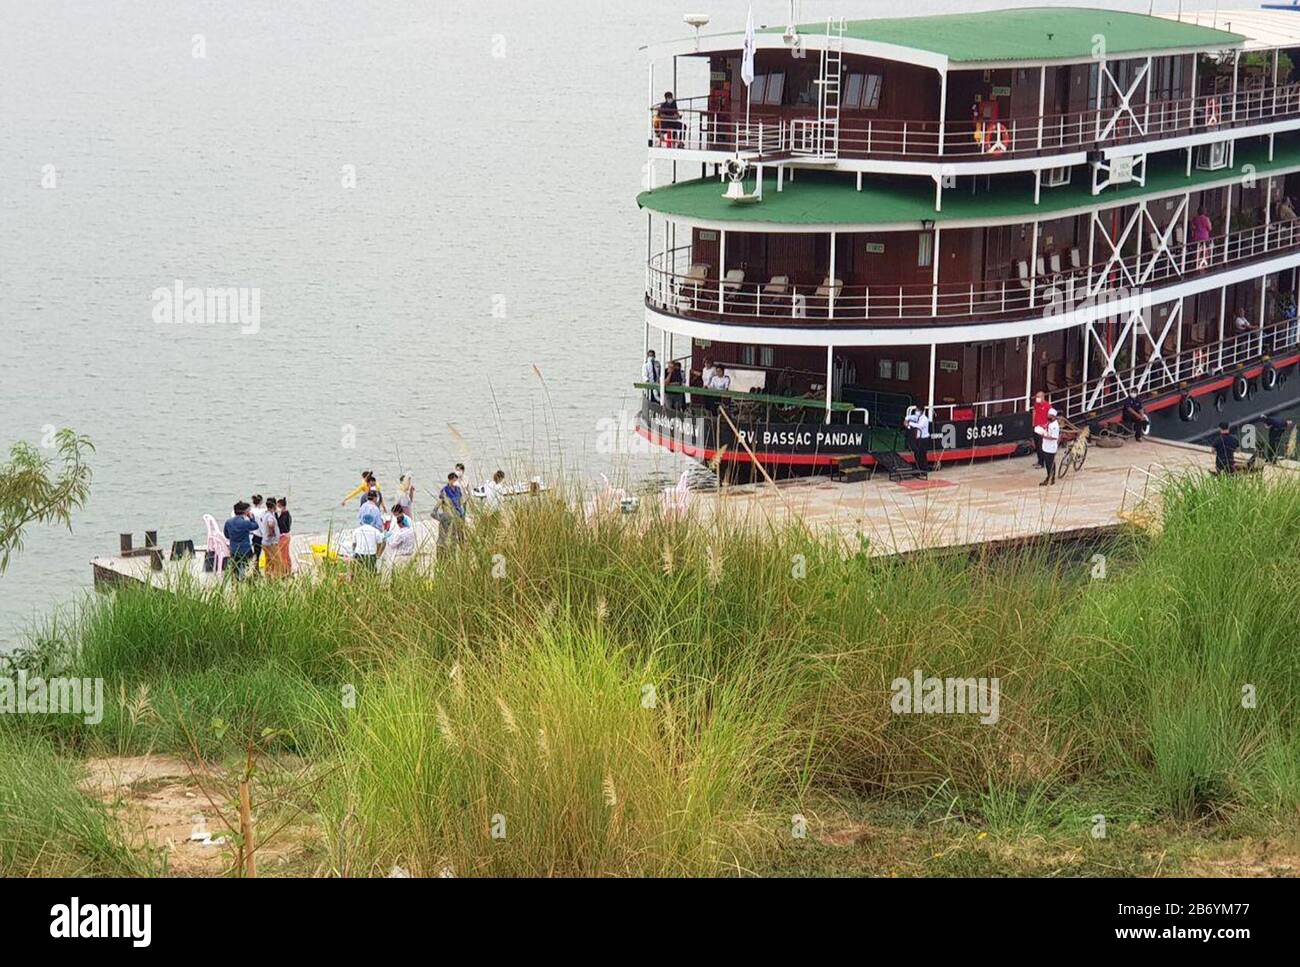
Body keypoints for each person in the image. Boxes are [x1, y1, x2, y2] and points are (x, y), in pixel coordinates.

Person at [222, 501, 259, 580]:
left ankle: (235, 585)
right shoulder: (245, 523)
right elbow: (255, 526)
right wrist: (252, 518)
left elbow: (226, 535)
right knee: (248, 568)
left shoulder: (228, 522)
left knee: (235, 570)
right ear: (245, 512)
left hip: (234, 549)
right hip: (245, 549)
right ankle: (247, 583)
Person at [436, 471, 467, 547]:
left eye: (455, 480)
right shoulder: (444, 490)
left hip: (459, 513)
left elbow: (461, 500)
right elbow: (442, 503)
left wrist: (463, 511)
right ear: (449, 480)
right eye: (453, 480)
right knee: (451, 532)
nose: (454, 482)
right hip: (451, 514)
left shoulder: (458, 489)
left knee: (460, 531)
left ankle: (462, 546)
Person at [1036, 408, 1062, 486]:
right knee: (1049, 463)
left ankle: (1050, 478)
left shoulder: (1055, 426)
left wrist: (1043, 435)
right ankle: (1050, 477)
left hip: (1051, 447)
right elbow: (1046, 426)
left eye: (1049, 415)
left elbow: (1054, 437)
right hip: (1046, 446)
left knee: (1049, 463)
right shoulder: (1050, 423)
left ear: (1053, 416)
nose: (1048, 416)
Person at [904, 406, 933, 472]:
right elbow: (911, 417)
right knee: (917, 453)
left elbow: (920, 426)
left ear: (921, 411)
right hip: (919, 438)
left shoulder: (924, 419)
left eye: (917, 410)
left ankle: (924, 468)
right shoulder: (917, 417)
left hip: (924, 439)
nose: (916, 412)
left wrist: (909, 423)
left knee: (922, 454)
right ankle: (919, 466)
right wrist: (906, 419)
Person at [258, 496, 282, 576]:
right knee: (277, 561)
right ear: (274, 506)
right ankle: (276, 578)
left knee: (268, 561)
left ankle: (268, 576)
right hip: (271, 542)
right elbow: (270, 523)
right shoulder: (270, 516)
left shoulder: (264, 514)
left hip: (264, 541)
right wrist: (272, 533)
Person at [1031, 391, 1051, 468]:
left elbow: (1051, 417)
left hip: (1042, 428)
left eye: (1038, 397)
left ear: (1043, 397)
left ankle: (1042, 463)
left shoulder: (1047, 406)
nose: (1037, 399)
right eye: (1036, 397)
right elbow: (1034, 413)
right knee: (1037, 445)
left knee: (1041, 446)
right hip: (1036, 427)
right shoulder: (1036, 405)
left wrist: (1046, 425)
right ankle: (1039, 460)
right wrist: (1033, 424)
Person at [275, 497, 293, 574]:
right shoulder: (286, 514)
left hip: (284, 536)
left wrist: (276, 515)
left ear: (282, 506)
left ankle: (284, 570)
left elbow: (281, 525)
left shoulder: (285, 515)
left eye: (278, 506)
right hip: (287, 535)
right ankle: (288, 568)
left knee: (283, 554)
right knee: (286, 553)